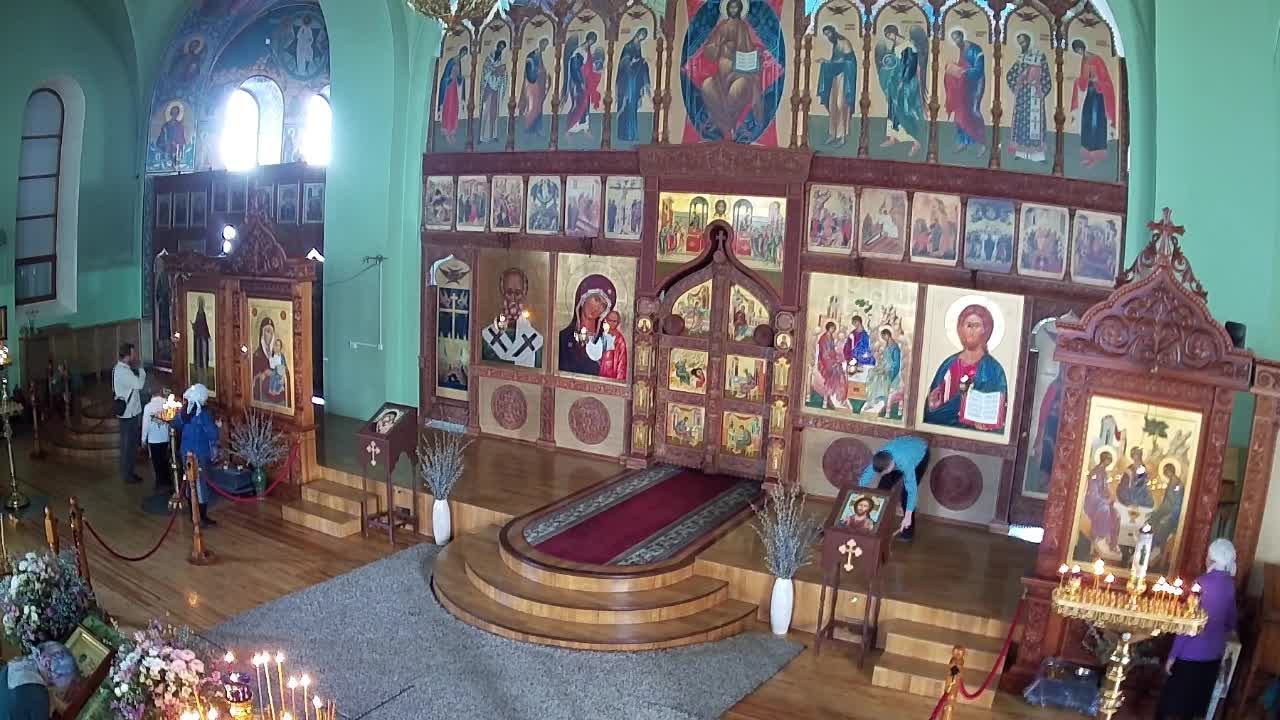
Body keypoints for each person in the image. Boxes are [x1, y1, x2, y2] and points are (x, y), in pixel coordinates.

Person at [1156, 539, 1238, 720]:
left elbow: (1187, 624)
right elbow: (1231, 622)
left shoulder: (1201, 583)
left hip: (1190, 654)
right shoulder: (1229, 584)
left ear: (1212, 560)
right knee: (1193, 709)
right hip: (1213, 656)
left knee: (1171, 707)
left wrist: (1172, 656)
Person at [924, 303, 1008, 432]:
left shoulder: (994, 370)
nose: (972, 330)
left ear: (985, 330)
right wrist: (932, 406)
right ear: (961, 329)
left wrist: (988, 424)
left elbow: (1001, 413)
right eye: (968, 325)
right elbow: (929, 413)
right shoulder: (948, 365)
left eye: (977, 325)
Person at [857, 435, 928, 540]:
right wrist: (857, 496)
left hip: (920, 453)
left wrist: (908, 515)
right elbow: (864, 478)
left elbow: (912, 491)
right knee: (882, 489)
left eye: (885, 471)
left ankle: (907, 531)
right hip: (903, 447)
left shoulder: (906, 463)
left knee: (905, 496)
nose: (882, 474)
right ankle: (874, 523)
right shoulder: (879, 457)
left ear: (891, 465)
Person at [173, 384, 219, 528]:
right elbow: (212, 433)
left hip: (185, 452)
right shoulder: (203, 414)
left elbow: (175, 424)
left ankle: (193, 514)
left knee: (189, 483)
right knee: (200, 486)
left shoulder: (184, 411)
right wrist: (217, 427)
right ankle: (202, 517)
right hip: (199, 453)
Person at [0, 641, 78, 719]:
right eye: (54, 685)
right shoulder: (38, 699)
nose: (57, 692)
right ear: (47, 663)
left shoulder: (15, 665)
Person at [1005, 32, 1052, 163]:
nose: (1022, 45)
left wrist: (1039, 87)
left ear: (1028, 41)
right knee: (1022, 123)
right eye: (1020, 43)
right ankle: (1021, 153)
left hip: (1035, 94)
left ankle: (1038, 155)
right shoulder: (1021, 58)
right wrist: (1019, 82)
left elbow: (1046, 75)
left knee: (1036, 124)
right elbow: (1011, 74)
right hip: (1023, 96)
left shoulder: (1039, 55)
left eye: (1023, 42)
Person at [817, 25, 858, 146]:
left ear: (833, 32)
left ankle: (842, 135)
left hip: (844, 77)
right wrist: (826, 62)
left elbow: (850, 61)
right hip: (835, 76)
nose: (828, 36)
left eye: (828, 33)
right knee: (832, 104)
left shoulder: (844, 42)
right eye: (826, 35)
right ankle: (832, 134)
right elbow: (835, 61)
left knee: (841, 104)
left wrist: (832, 63)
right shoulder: (835, 44)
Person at [113, 343, 146, 484]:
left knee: (129, 444)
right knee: (128, 446)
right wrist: (142, 371)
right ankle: (128, 475)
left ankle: (129, 472)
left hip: (128, 412)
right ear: (128, 355)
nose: (135, 355)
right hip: (129, 413)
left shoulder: (119, 368)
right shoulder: (124, 372)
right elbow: (139, 384)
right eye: (133, 353)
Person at [142, 388, 174, 492]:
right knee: (165, 460)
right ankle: (168, 481)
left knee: (156, 462)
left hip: (153, 439)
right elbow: (171, 420)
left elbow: (145, 425)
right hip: (165, 437)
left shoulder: (148, 407)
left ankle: (160, 482)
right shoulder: (167, 404)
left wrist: (143, 439)